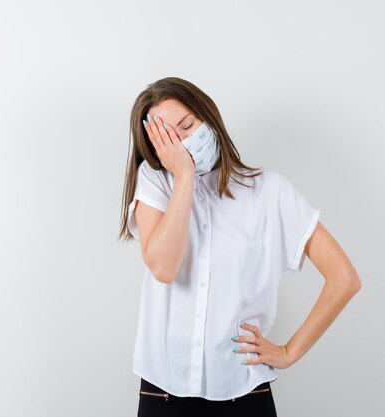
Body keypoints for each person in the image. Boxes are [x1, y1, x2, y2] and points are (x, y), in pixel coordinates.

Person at [118, 77, 362, 417]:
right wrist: (184, 176)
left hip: (243, 395)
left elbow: (344, 278)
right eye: (168, 138)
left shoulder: (271, 193)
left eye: (187, 126)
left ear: (209, 117)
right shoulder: (156, 182)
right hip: (163, 395)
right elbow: (163, 267)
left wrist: (289, 352)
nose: (183, 142)